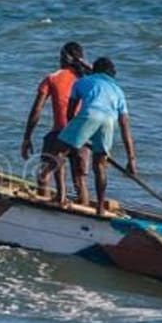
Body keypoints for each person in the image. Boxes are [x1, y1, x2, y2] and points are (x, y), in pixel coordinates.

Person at [43, 57, 137, 215]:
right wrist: (131, 159)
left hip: (89, 114)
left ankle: (53, 189)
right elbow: (125, 125)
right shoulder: (118, 90)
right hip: (109, 122)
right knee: (100, 166)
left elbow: (70, 113)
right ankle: (100, 208)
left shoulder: (83, 81)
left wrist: (76, 136)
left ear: (95, 70)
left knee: (59, 151)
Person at [21, 41, 90, 202]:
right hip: (84, 135)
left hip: (61, 132)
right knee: (80, 181)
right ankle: (84, 217)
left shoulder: (53, 78)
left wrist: (27, 137)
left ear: (63, 58)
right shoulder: (87, 80)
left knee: (43, 177)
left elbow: (36, 110)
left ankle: (43, 215)